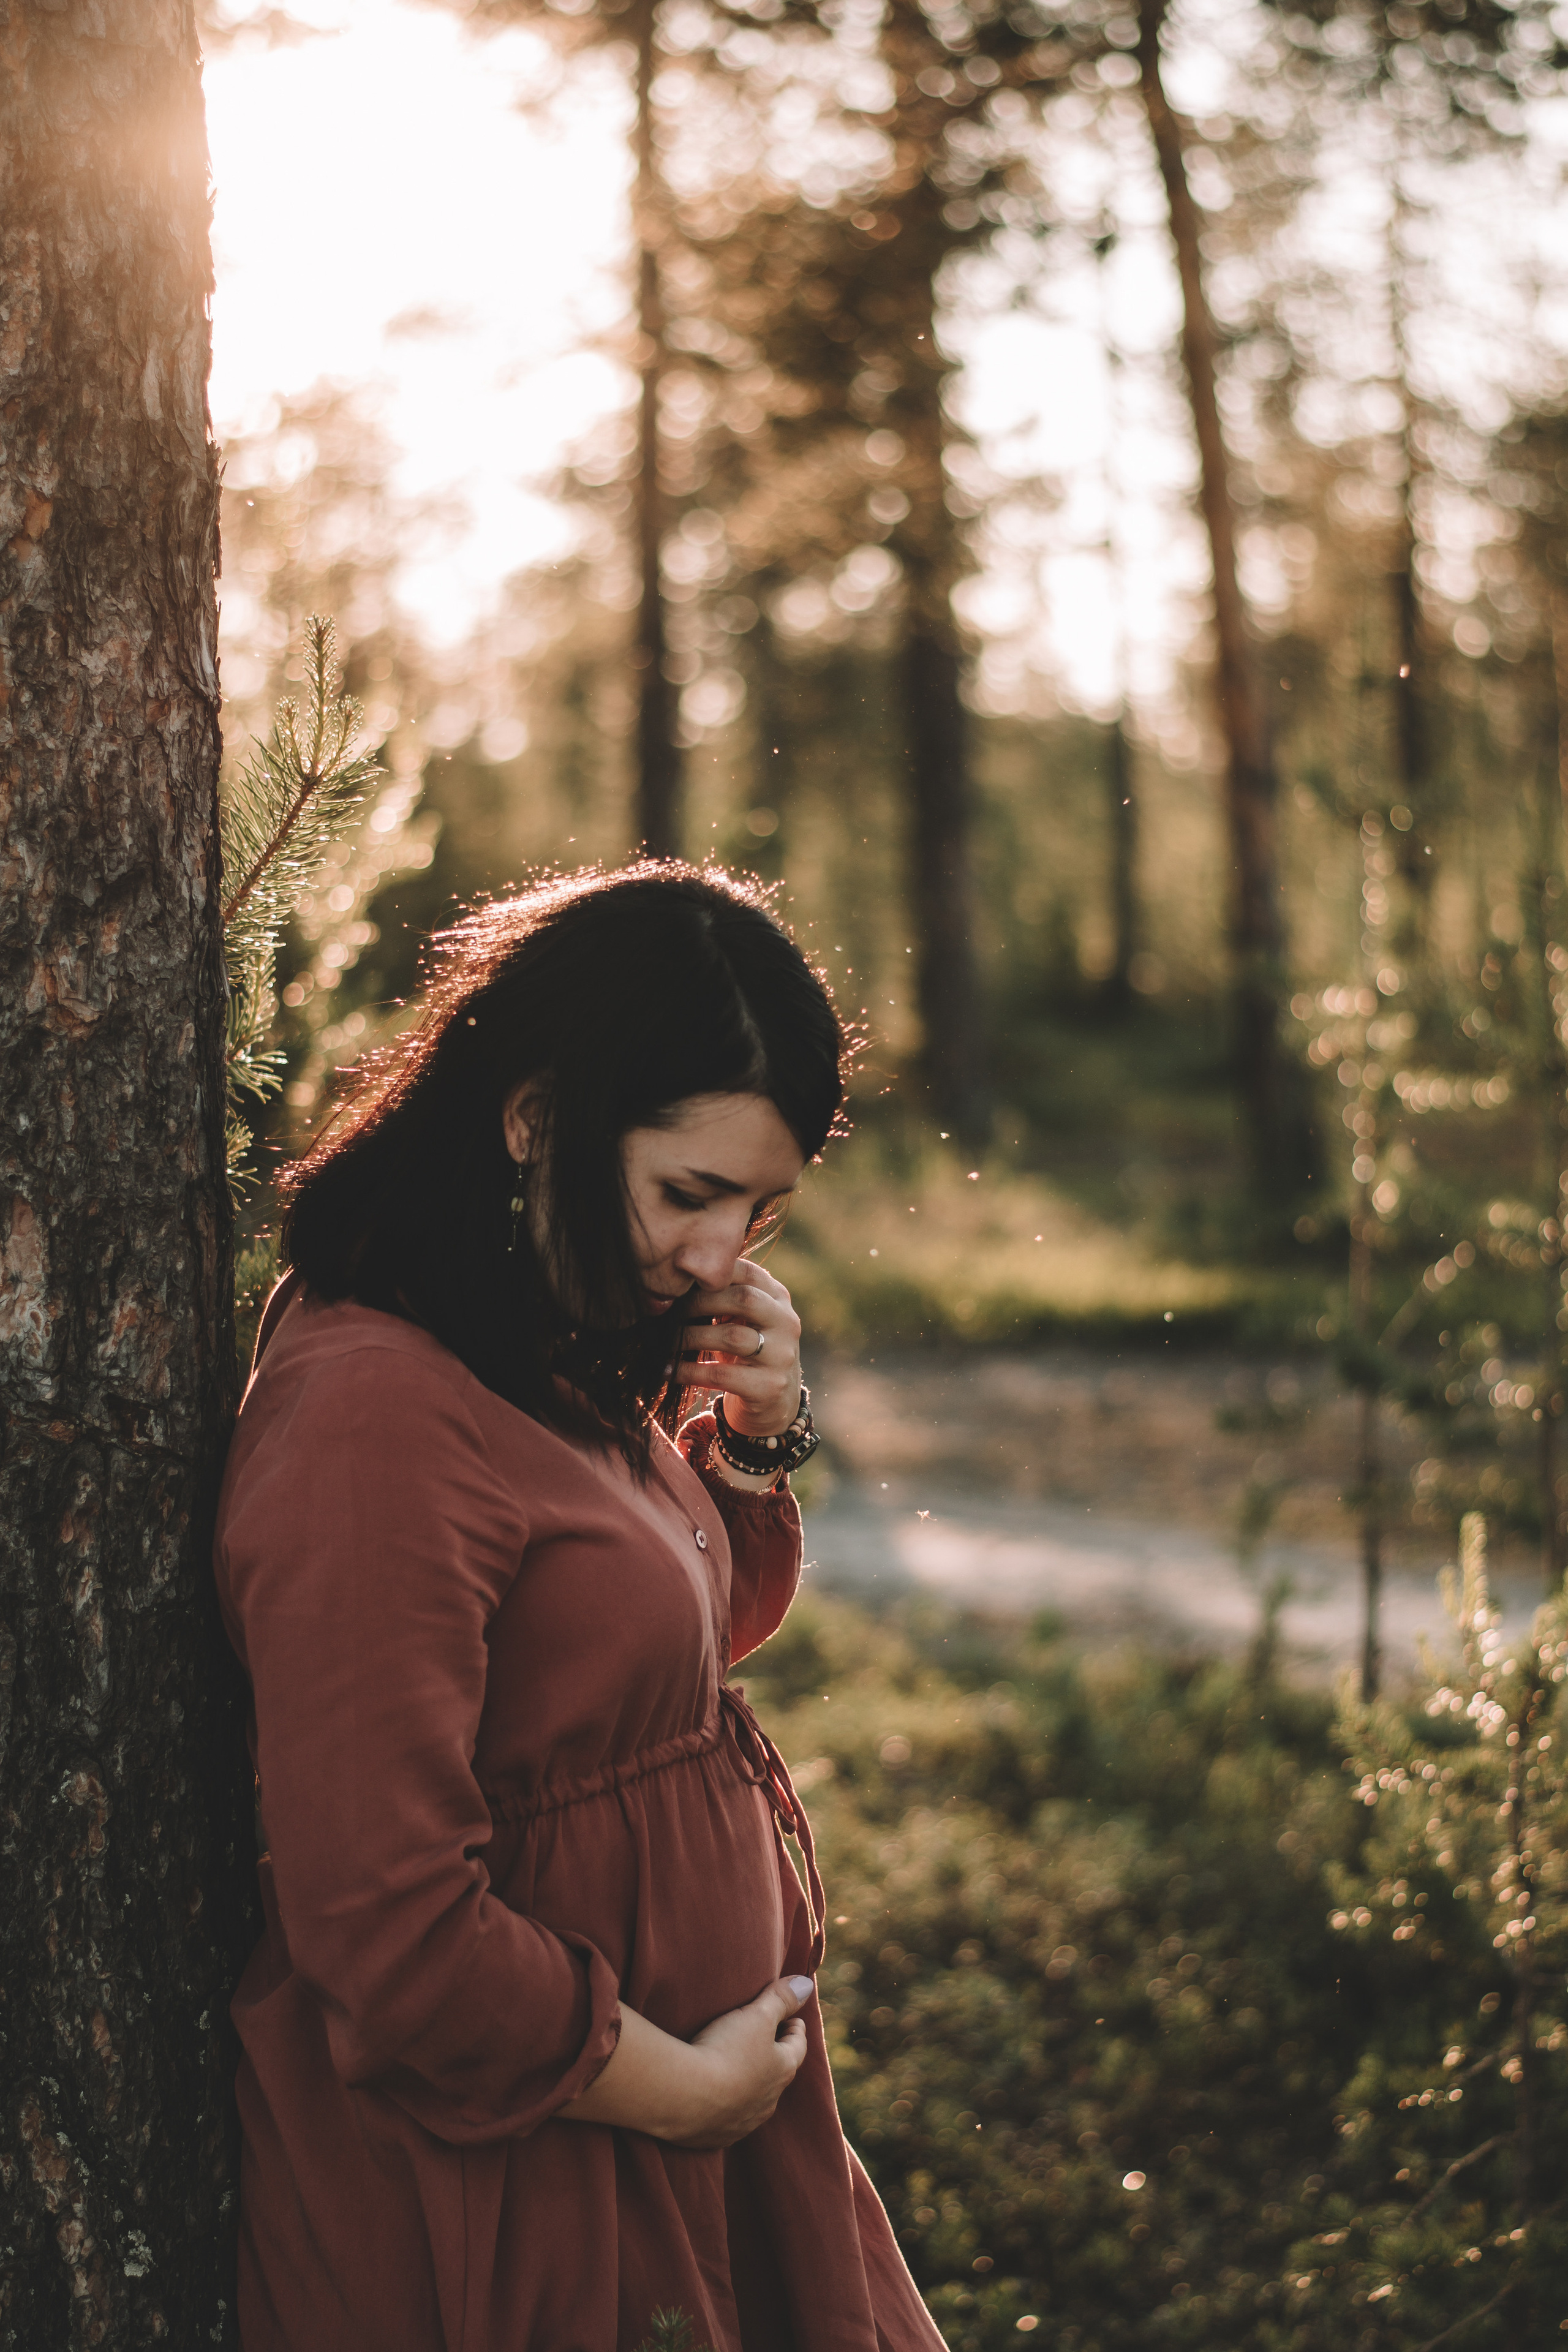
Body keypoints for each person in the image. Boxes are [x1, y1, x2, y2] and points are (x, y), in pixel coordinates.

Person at [214, 863, 946, 2352]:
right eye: (689, 1193)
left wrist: (750, 1441)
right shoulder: (372, 1413)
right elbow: (388, 1929)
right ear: (534, 1116)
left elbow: (654, 1652)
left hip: (664, 2148)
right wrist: (679, 2089)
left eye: (759, 1210)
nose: (719, 1256)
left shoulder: (532, 1332)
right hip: (513, 2186)